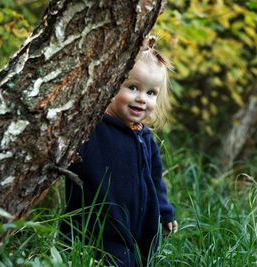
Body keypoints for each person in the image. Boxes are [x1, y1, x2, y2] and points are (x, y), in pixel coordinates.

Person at [60, 35, 178, 266]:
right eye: (133, 87)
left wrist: (164, 211)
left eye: (151, 93)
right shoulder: (92, 129)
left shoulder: (145, 137)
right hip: (96, 234)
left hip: (138, 235)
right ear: (113, 84)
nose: (142, 99)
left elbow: (155, 181)